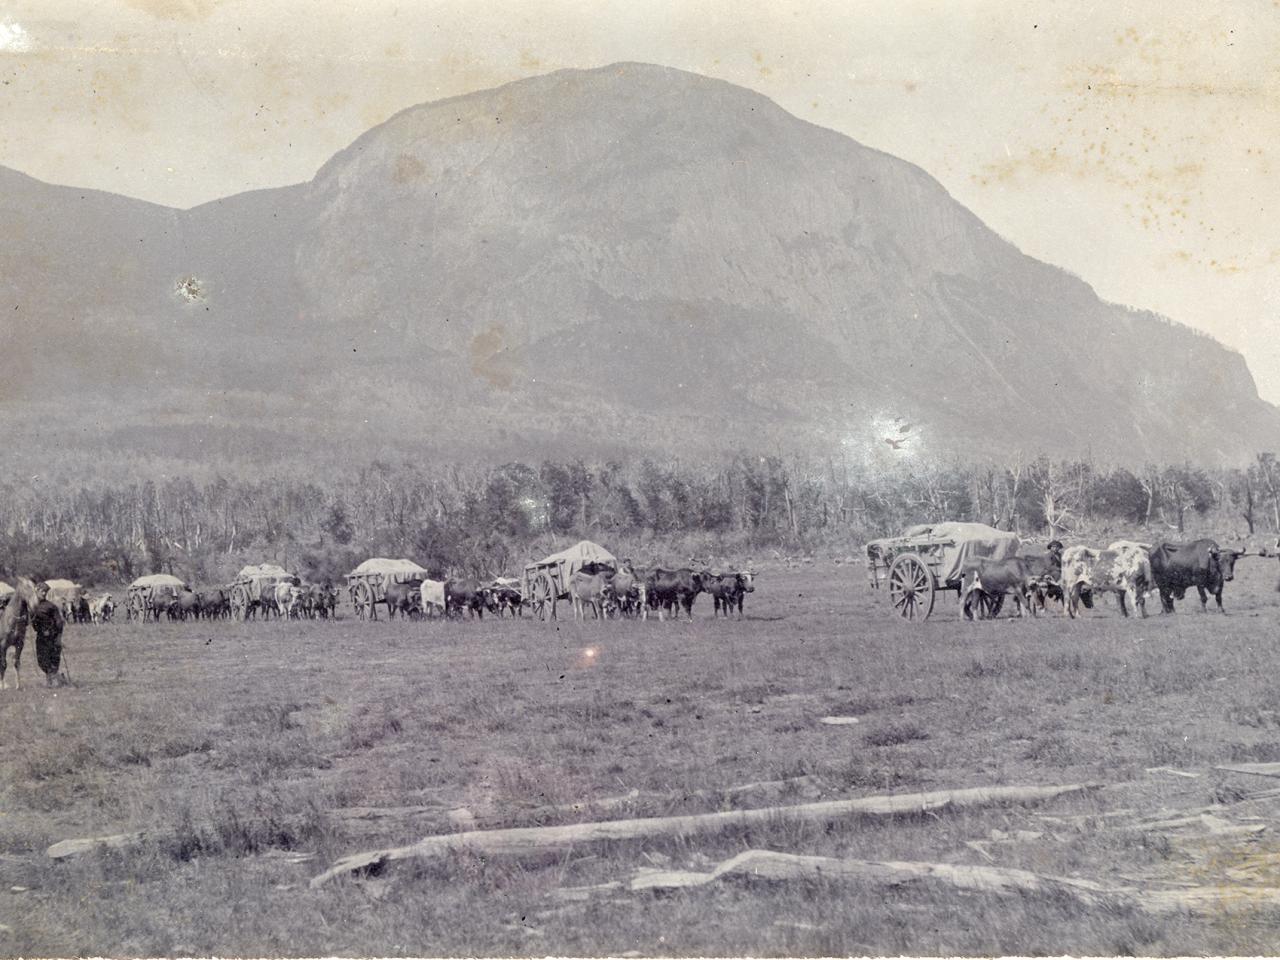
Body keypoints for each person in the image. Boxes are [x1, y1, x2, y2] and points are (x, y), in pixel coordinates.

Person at [30, 582, 66, 687]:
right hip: (41, 637)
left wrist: (58, 637)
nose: (44, 593)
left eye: (46, 591)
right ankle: (53, 678)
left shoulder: (51, 606)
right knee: (41, 659)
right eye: (42, 591)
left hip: (52, 636)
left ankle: (53, 680)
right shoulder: (32, 606)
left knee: (53, 658)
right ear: (36, 592)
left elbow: (59, 622)